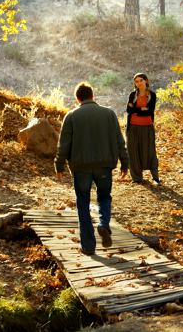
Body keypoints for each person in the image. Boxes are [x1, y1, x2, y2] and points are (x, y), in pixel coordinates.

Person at [55, 82, 129, 255]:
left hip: (81, 168)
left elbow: (63, 144)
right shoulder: (109, 114)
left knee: (83, 203)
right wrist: (125, 163)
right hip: (104, 166)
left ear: (77, 98)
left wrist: (59, 164)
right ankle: (103, 224)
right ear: (93, 96)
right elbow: (120, 141)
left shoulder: (72, 116)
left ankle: (88, 246)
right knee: (104, 197)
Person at [125, 73, 160, 185]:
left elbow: (150, 111)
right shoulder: (132, 95)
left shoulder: (152, 95)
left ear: (146, 81)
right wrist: (142, 110)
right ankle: (136, 178)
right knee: (133, 151)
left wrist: (136, 109)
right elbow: (129, 110)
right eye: (136, 81)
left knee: (150, 151)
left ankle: (155, 177)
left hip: (147, 127)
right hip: (133, 126)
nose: (139, 83)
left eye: (141, 80)